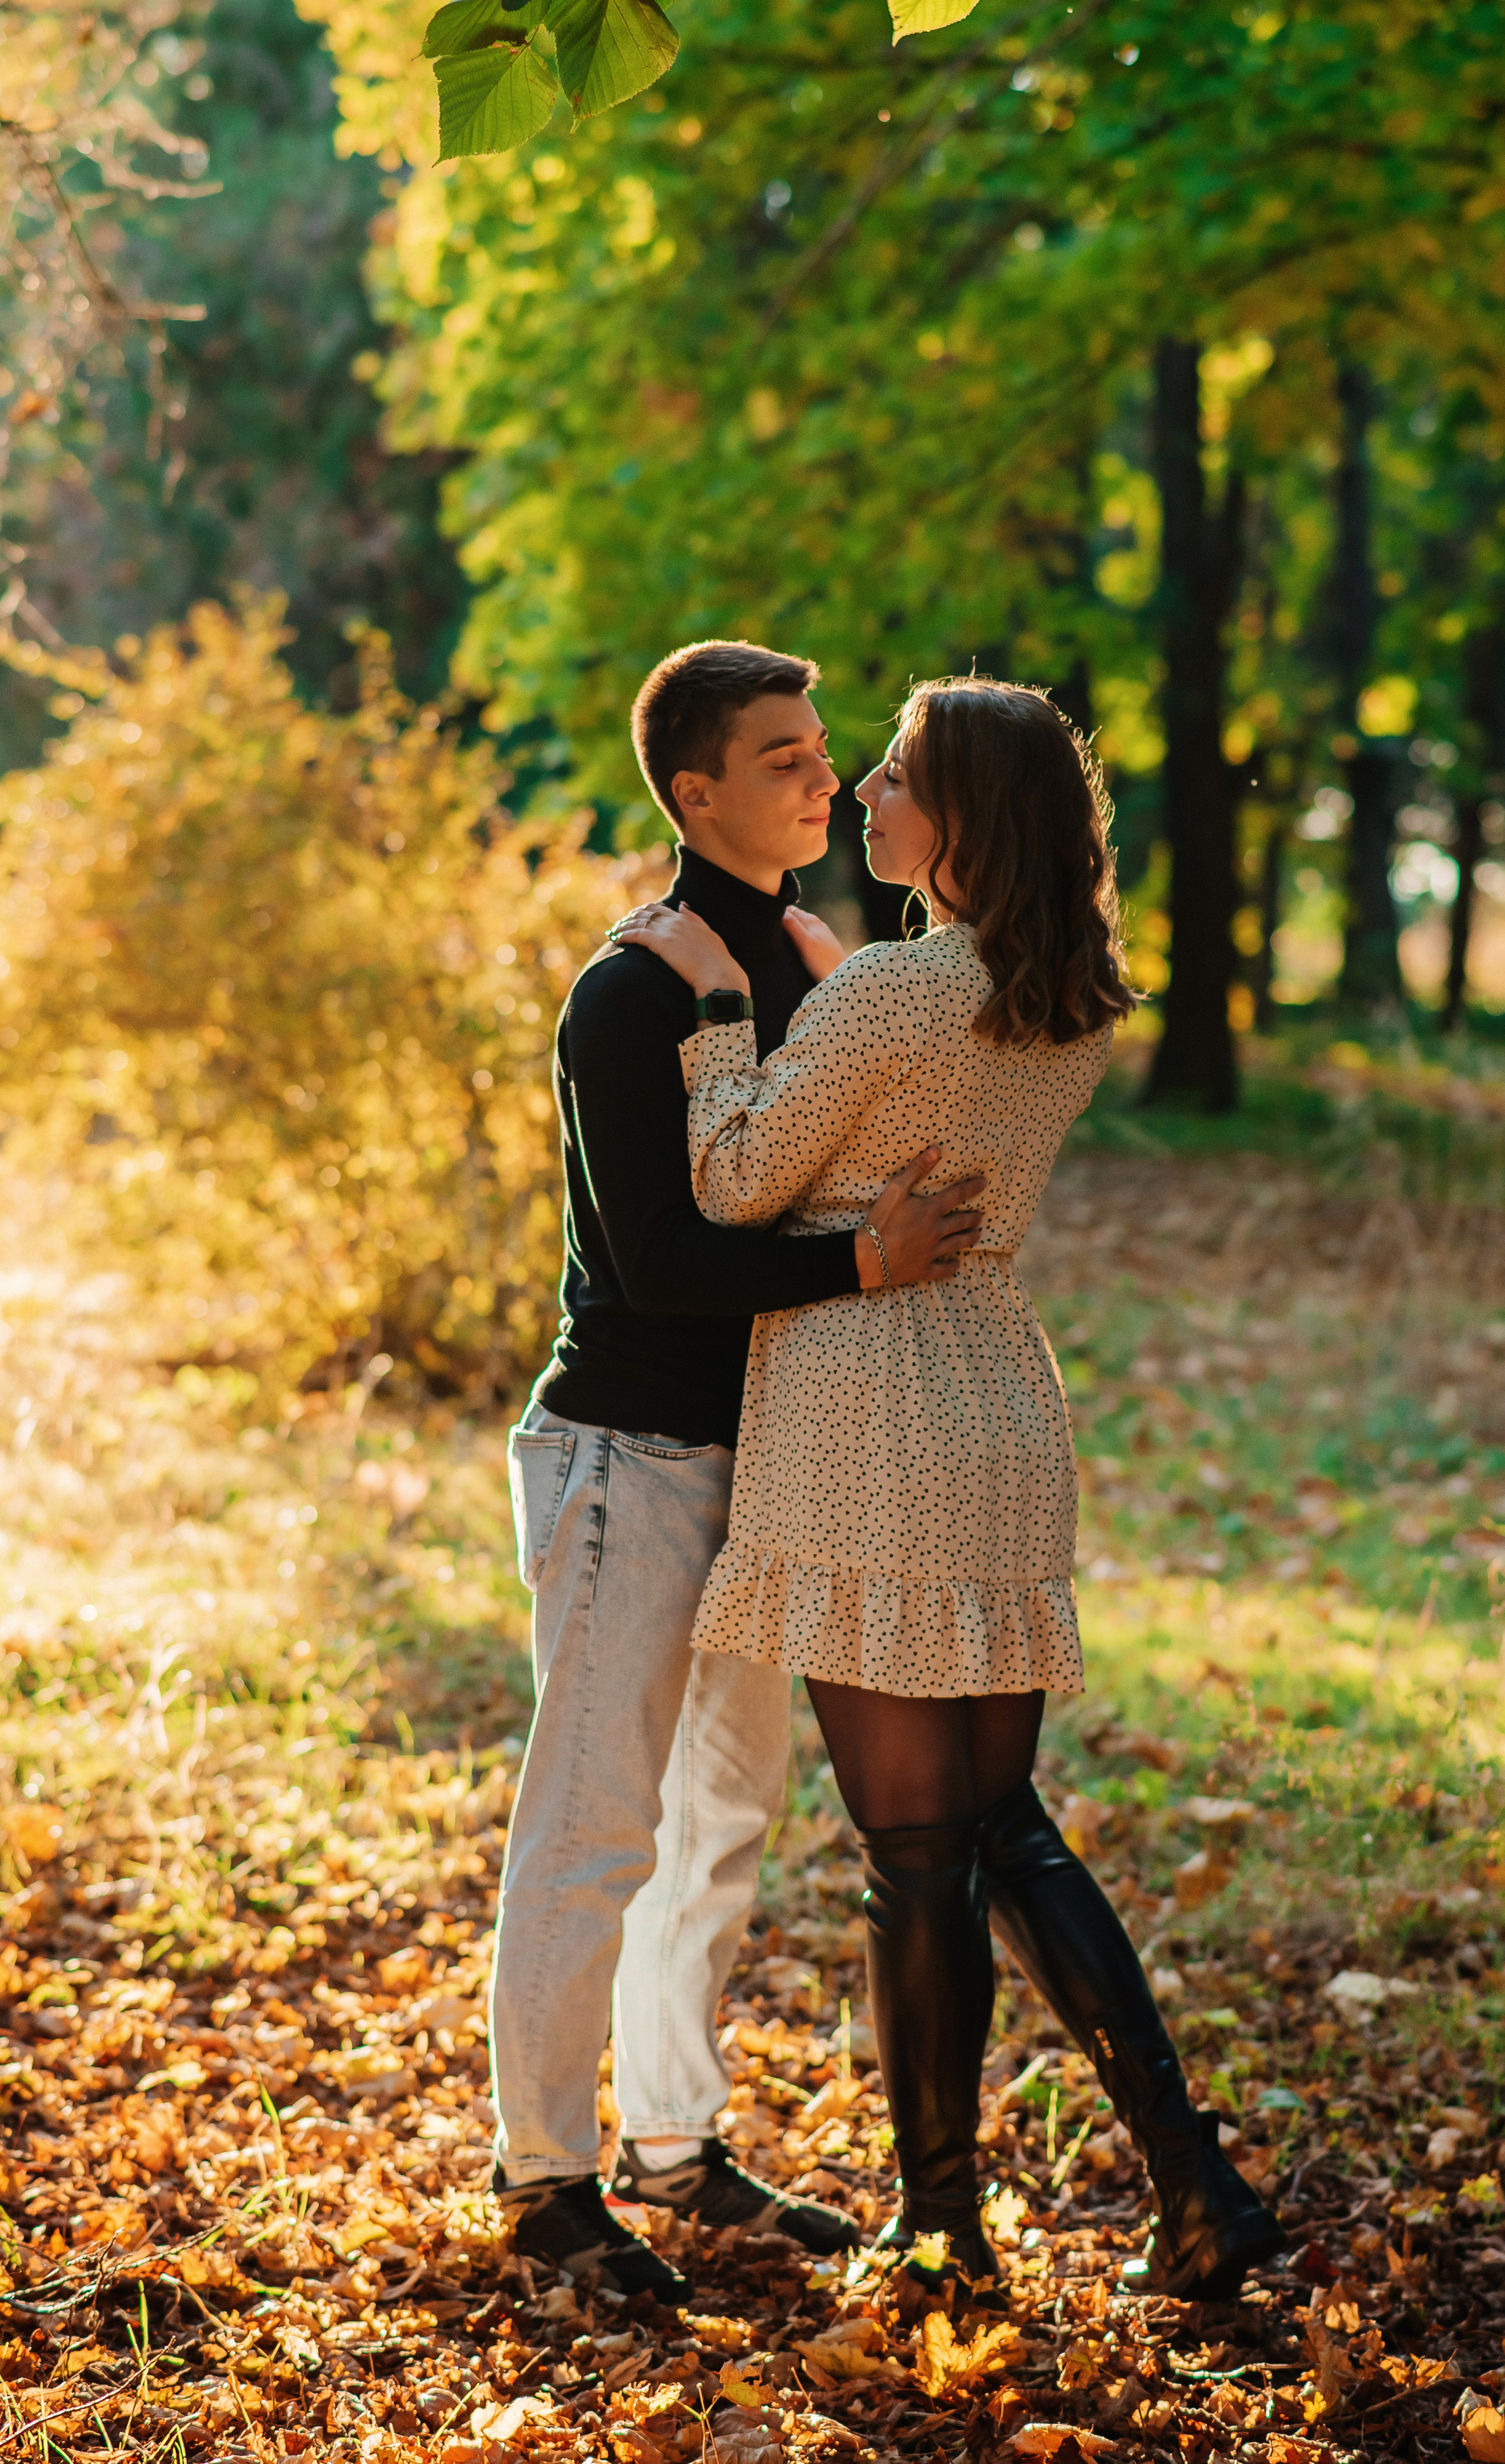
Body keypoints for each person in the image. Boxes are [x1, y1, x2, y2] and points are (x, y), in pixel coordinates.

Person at [609, 678, 1286, 2304]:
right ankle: (1189, 2183)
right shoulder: (1069, 1001)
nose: (864, 799)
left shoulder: (895, 994)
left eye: (899, 779)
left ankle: (942, 2224)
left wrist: (714, 1022)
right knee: (1001, 1827)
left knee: (916, 1852)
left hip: (869, 1419)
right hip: (996, 1407)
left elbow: (731, 1180)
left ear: (969, 817)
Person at [490, 642, 990, 2306]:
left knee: (720, 1827)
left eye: (821, 749)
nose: (820, 778)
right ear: (694, 791)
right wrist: (864, 1268)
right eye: (779, 755)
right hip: (628, 1452)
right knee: (592, 1828)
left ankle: (673, 2153)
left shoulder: (816, 958)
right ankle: (545, 2184)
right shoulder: (630, 989)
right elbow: (645, 1268)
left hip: (764, 1458)